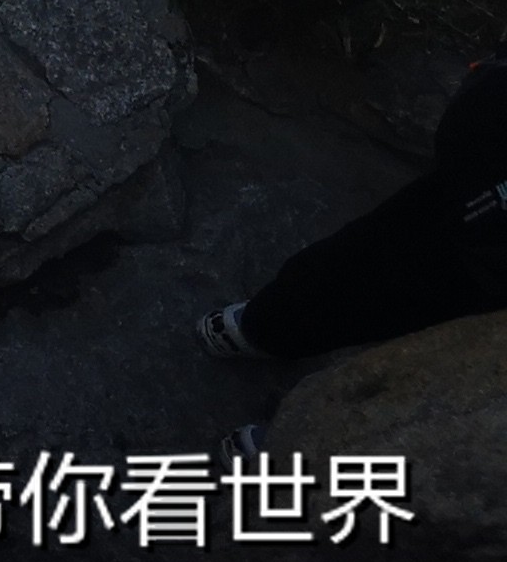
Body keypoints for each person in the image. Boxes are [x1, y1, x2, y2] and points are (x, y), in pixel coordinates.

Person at [199, 56, 507, 360]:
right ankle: (271, 325)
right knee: (382, 268)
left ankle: (267, 327)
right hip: (472, 217)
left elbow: (467, 125)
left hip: (475, 229)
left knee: (376, 274)